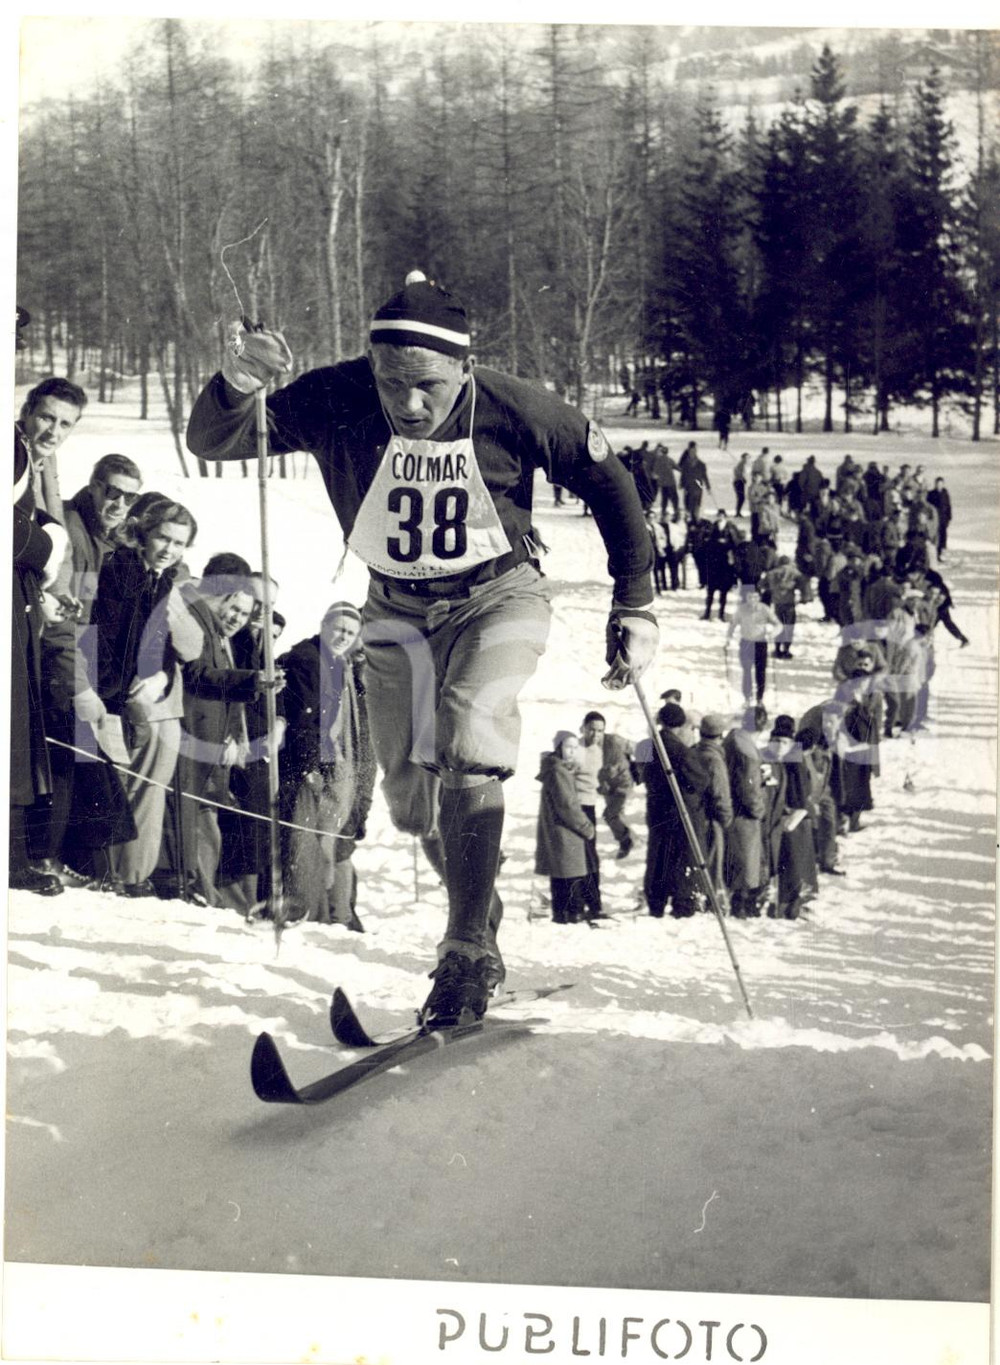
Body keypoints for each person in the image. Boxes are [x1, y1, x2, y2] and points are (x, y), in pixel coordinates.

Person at [186, 271, 657, 1025]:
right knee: (413, 802)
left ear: (464, 370)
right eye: (393, 383)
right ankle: (482, 914)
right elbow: (213, 439)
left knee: (471, 733)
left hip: (496, 595)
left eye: (429, 386)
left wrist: (635, 601)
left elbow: (610, 481)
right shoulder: (337, 394)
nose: (409, 404)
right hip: (394, 609)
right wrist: (239, 380)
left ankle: (464, 946)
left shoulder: (511, 405)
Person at [32, 454, 144, 884]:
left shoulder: (105, 538)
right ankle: (47, 858)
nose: (118, 503)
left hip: (80, 666)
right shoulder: (73, 531)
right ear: (94, 485)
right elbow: (63, 618)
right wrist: (79, 685)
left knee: (89, 767)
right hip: (56, 666)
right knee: (71, 763)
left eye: (128, 498)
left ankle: (78, 864)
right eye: (112, 491)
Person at [92, 499, 199, 895]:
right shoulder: (122, 568)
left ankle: (128, 877)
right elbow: (108, 639)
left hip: (136, 692)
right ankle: (115, 876)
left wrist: (158, 674)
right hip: (109, 697)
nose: (170, 549)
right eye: (163, 538)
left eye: (179, 543)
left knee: (135, 788)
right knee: (118, 783)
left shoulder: (160, 578)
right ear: (145, 534)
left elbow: (158, 639)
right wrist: (115, 701)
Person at [172, 568, 271, 906]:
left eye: (243, 614)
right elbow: (199, 676)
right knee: (199, 818)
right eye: (233, 608)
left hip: (217, 743)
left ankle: (207, 892)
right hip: (194, 733)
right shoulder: (201, 628)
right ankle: (198, 889)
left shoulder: (227, 638)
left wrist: (230, 737)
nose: (236, 618)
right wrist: (252, 681)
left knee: (209, 819)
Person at [278, 601, 375, 929]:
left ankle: (338, 915)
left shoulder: (341, 664)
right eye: (339, 629)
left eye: (350, 632)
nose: (343, 636)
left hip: (339, 764)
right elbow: (304, 717)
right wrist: (309, 767)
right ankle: (317, 912)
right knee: (314, 842)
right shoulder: (309, 660)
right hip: (319, 767)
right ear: (324, 625)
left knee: (333, 840)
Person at [10, 425, 72, 895]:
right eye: (46, 416)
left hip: (21, 596)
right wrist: (45, 546)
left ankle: (14, 858)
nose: (52, 429)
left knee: (16, 727)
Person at [637, 702, 709, 919]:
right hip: (679, 813)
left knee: (658, 857)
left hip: (656, 810)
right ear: (680, 725)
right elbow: (700, 780)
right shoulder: (679, 750)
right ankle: (682, 902)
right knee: (681, 859)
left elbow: (642, 772)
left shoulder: (648, 745)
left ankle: (655, 901)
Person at [534, 730, 597, 925]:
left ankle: (562, 913)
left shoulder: (557, 768)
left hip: (559, 830)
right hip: (566, 831)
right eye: (568, 747)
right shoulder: (558, 771)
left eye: (574, 747)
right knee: (571, 874)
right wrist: (586, 826)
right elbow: (567, 805)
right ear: (559, 747)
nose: (571, 751)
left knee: (561, 874)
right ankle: (572, 913)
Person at [16, 376, 88, 523]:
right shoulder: (12, 454)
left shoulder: (48, 459)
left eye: (65, 424)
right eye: (47, 418)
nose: (53, 432)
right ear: (27, 412)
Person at [723, 705, 769, 918]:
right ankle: (742, 906)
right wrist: (759, 810)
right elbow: (749, 788)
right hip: (745, 814)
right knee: (747, 862)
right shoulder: (747, 750)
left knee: (739, 859)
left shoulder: (733, 738)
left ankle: (740, 902)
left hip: (731, 807)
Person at [694, 713, 733, 906]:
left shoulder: (694, 751)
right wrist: (727, 819)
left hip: (695, 816)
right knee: (713, 864)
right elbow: (721, 793)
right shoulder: (715, 760)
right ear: (720, 735)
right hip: (712, 819)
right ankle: (711, 902)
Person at [725, 585, 781, 705]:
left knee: (760, 672)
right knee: (746, 671)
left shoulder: (765, 609)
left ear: (759, 597)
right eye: (750, 597)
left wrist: (772, 634)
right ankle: (747, 698)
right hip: (746, 643)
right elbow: (733, 625)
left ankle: (759, 699)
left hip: (761, 643)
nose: (752, 600)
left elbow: (778, 625)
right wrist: (728, 638)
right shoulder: (741, 609)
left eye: (755, 597)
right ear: (746, 597)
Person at [926, 477, 952, 557]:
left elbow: (948, 506)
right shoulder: (931, 494)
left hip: (943, 518)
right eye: (937, 484)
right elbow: (928, 507)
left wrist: (949, 517)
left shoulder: (945, 493)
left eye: (940, 484)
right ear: (935, 484)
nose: (939, 485)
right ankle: (934, 553)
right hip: (934, 519)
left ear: (943, 484)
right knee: (935, 535)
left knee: (943, 535)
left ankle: (941, 552)